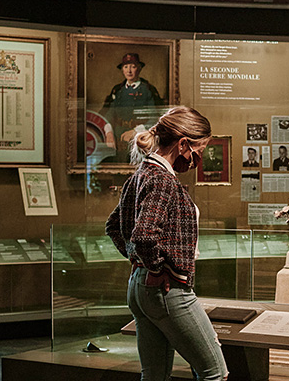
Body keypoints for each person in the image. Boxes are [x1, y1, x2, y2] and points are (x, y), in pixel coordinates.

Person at [106, 106, 229, 380]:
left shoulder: (140, 175)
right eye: (200, 150)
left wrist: (138, 263)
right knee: (215, 373)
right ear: (184, 144)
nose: (199, 159)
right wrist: (159, 269)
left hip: (139, 288)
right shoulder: (162, 180)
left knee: (154, 375)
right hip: (168, 290)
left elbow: (114, 226)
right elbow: (144, 235)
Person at [102, 53, 163, 149]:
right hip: (118, 137)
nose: (129, 71)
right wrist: (109, 133)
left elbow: (155, 118)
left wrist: (136, 131)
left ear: (139, 69)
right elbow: (109, 113)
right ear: (122, 69)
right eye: (126, 67)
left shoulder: (148, 90)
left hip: (141, 137)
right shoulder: (118, 90)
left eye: (133, 67)